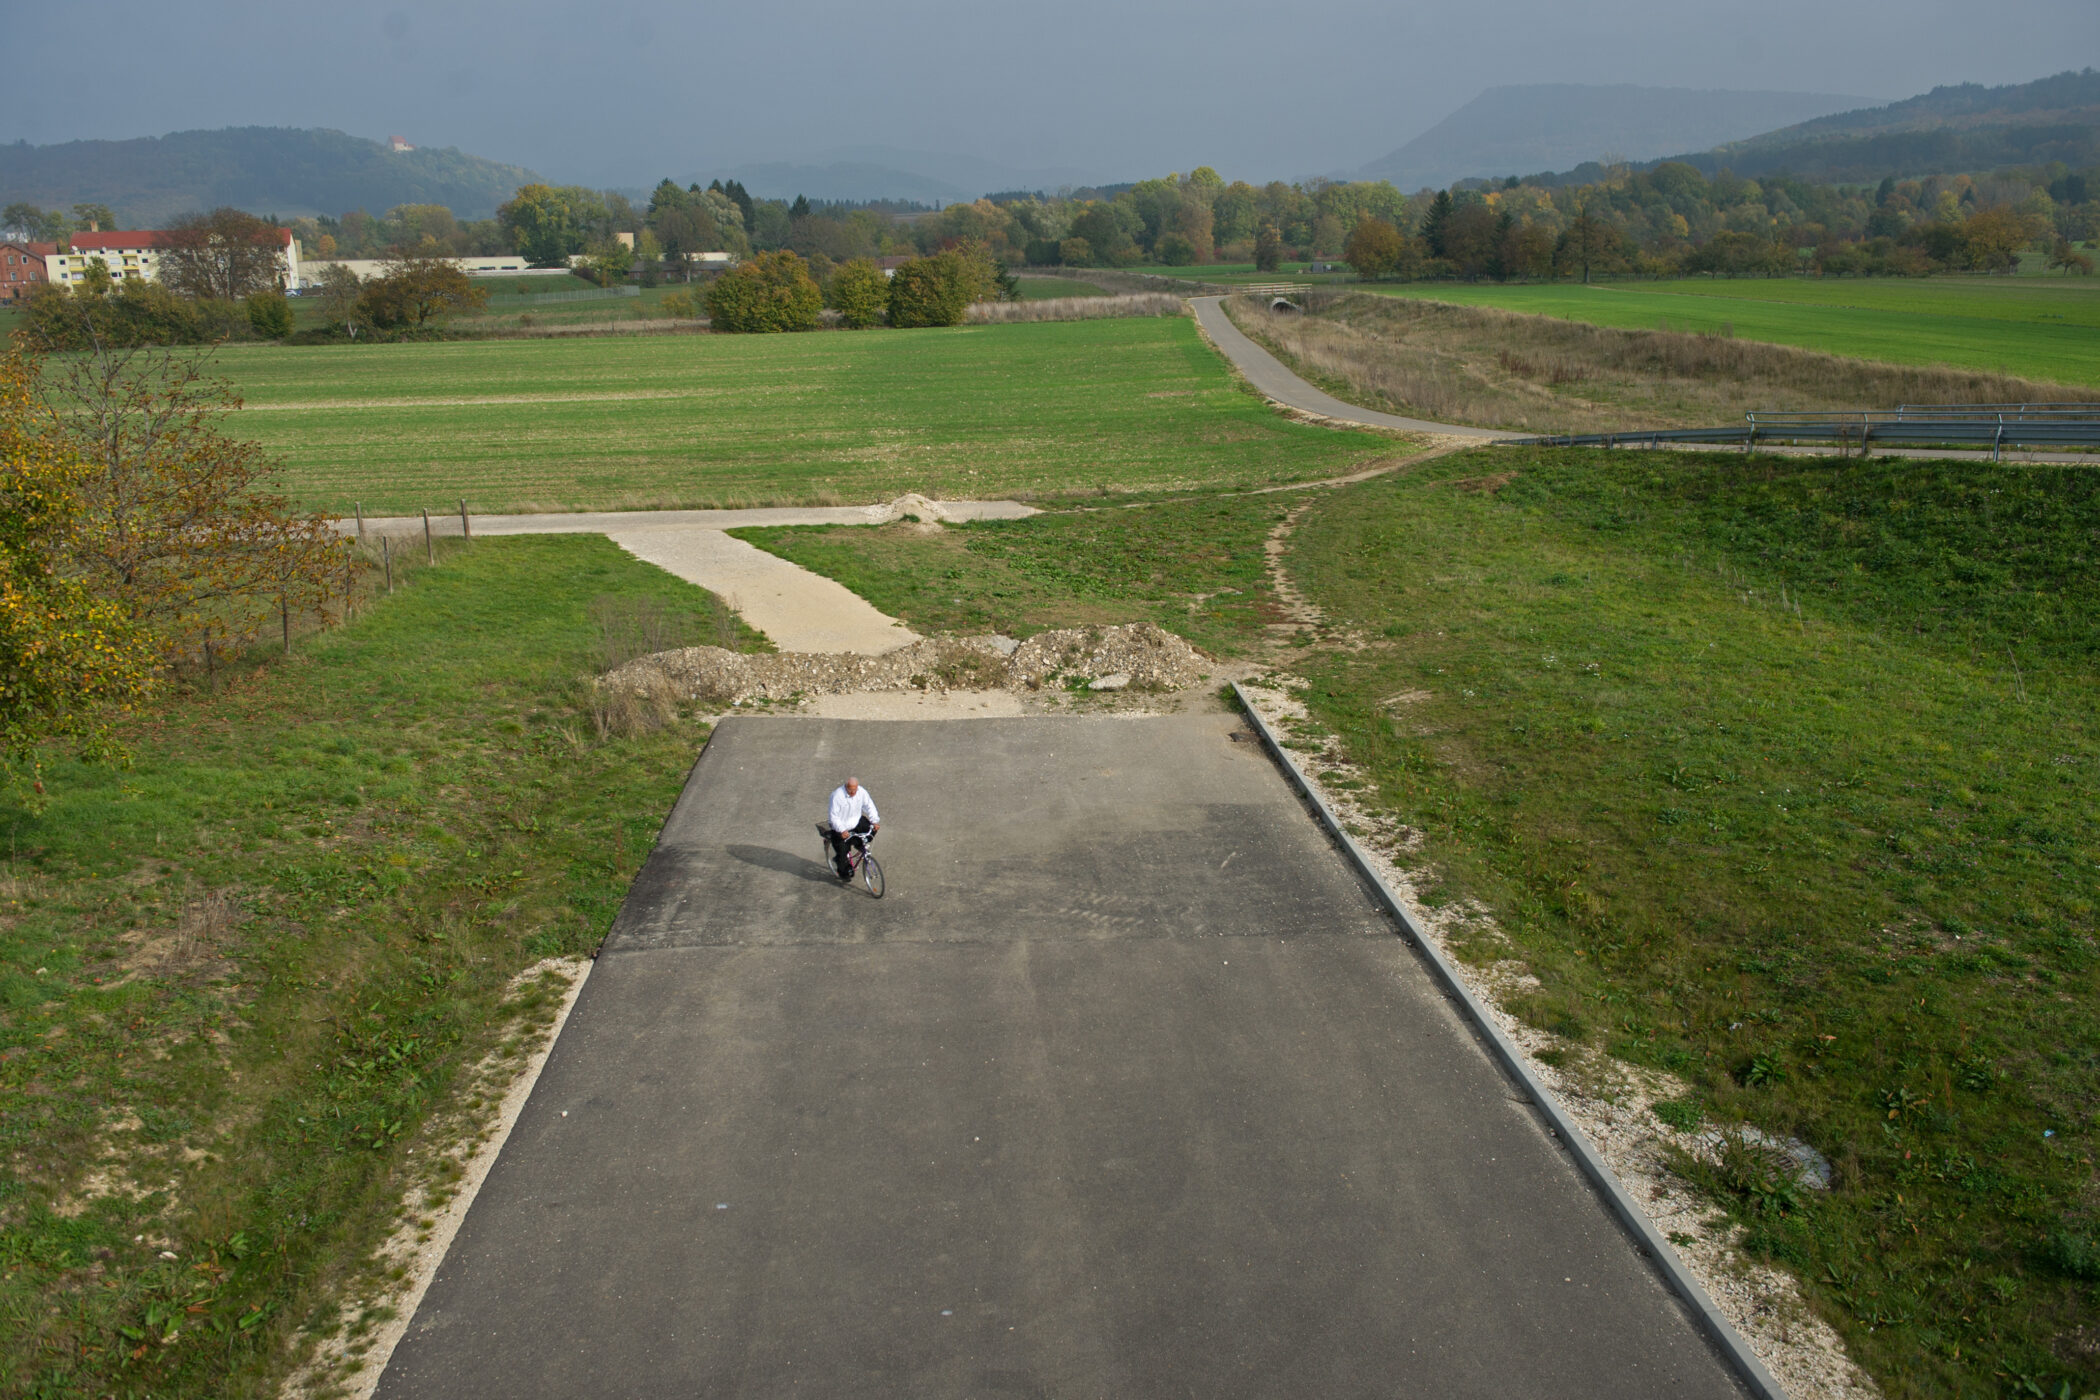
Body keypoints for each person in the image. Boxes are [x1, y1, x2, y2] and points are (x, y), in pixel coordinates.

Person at [822, 776, 880, 880]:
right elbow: (833, 816)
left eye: (855, 790)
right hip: (842, 826)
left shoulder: (861, 792)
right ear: (846, 787)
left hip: (856, 822)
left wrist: (875, 820)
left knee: (871, 830)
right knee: (843, 856)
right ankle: (840, 863)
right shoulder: (837, 796)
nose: (853, 793)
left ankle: (857, 844)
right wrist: (842, 830)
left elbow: (869, 806)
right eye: (850, 790)